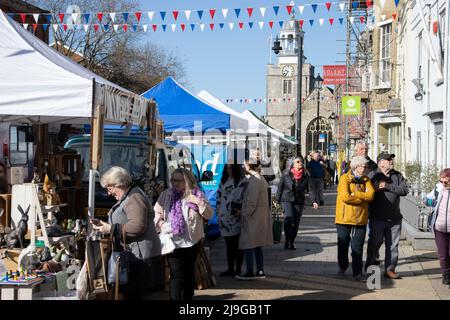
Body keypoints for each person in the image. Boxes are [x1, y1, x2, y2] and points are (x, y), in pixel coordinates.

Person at [92, 166, 163, 299]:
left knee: (134, 296)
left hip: (142, 259)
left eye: (109, 188)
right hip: (136, 256)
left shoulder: (134, 197)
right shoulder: (129, 195)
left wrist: (110, 229)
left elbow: (137, 226)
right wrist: (106, 225)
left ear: (119, 183)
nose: (108, 193)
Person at [153, 168, 213, 300]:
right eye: (173, 180)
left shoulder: (197, 195)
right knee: (176, 273)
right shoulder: (166, 195)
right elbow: (156, 213)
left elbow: (209, 214)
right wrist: (161, 224)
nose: (175, 183)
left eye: (179, 180)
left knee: (189, 271)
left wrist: (198, 201)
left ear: (187, 181)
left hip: (192, 240)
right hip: (172, 241)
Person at [365, 154, 408, 279]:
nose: (391, 161)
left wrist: (387, 186)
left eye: (391, 159)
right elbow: (366, 192)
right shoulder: (373, 175)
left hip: (394, 217)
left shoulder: (397, 175)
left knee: (393, 246)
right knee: (375, 243)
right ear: (380, 163)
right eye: (388, 159)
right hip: (377, 217)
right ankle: (370, 266)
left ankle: (390, 269)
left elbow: (404, 190)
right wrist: (374, 189)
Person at [335, 156, 375, 280]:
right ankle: (343, 266)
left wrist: (357, 194)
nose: (365, 169)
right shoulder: (344, 178)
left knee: (357, 246)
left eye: (366, 167)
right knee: (343, 244)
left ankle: (357, 272)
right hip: (344, 217)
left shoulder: (366, 180)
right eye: (363, 166)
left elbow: (371, 195)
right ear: (356, 167)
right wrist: (361, 199)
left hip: (360, 218)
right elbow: (345, 197)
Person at [236, 154, 273, 280]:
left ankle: (250, 270)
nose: (242, 166)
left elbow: (252, 200)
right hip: (258, 216)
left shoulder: (254, 180)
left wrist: (245, 214)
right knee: (257, 245)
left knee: (249, 244)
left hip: (253, 217)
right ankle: (260, 270)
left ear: (248, 166)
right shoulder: (258, 178)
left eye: (244, 164)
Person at [276, 157, 317, 250]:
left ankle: (292, 241)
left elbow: (310, 190)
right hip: (287, 199)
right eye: (298, 162)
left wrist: (314, 201)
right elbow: (280, 188)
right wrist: (277, 201)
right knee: (289, 219)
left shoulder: (306, 175)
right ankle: (287, 240)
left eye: (301, 162)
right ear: (293, 164)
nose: (300, 163)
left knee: (296, 222)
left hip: (299, 201)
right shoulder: (286, 174)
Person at [216, 164, 246, 277]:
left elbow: (244, 197)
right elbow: (218, 197)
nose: (229, 170)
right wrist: (219, 211)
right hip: (224, 218)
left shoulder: (242, 181)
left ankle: (237, 269)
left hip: (236, 217)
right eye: (227, 168)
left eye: (231, 168)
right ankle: (230, 268)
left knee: (238, 244)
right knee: (229, 245)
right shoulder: (223, 181)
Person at [424, 168, 450, 286]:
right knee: (443, 255)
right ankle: (446, 275)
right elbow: (425, 199)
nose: (444, 184)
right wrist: (432, 203)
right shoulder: (438, 189)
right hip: (439, 228)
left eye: (446, 182)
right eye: (442, 181)